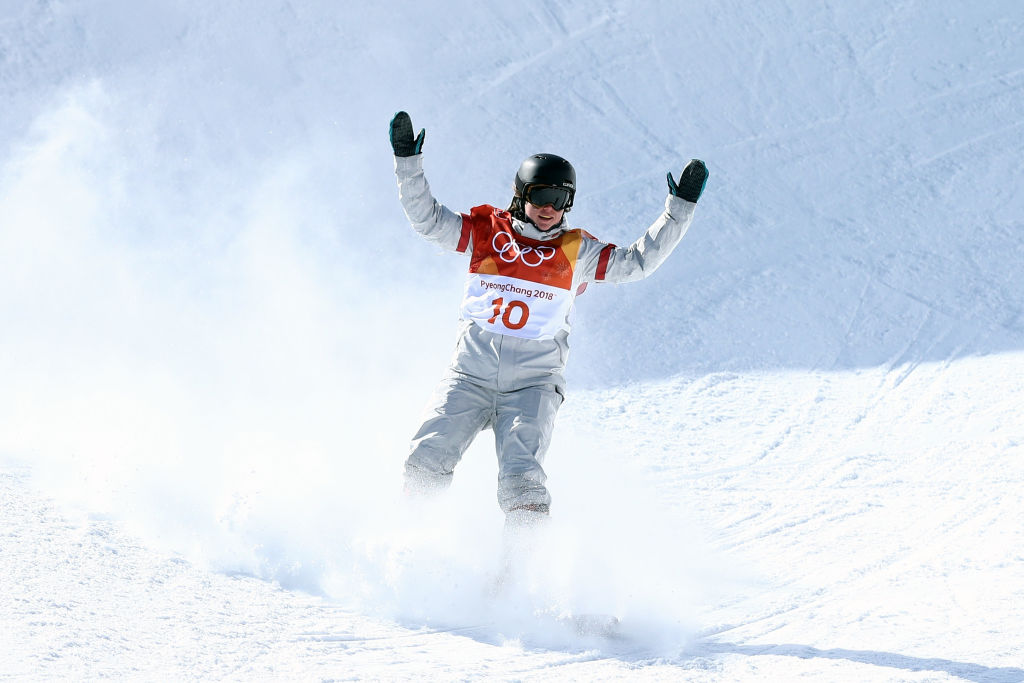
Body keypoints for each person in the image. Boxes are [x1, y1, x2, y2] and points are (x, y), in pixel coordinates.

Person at [389, 111, 707, 527]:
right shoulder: (488, 233)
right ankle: (411, 542)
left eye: (559, 200)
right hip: (469, 376)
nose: (548, 209)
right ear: (521, 195)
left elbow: (637, 263)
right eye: (540, 196)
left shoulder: (577, 251)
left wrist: (679, 209)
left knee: (523, 485)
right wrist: (408, 165)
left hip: (532, 386)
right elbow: (428, 221)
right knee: (425, 460)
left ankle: (520, 574)